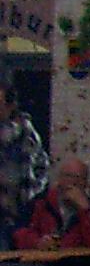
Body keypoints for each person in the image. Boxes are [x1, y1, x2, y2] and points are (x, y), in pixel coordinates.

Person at [0, 71, 49, 242]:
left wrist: (30, 195)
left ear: (11, 106)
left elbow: (41, 167)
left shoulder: (25, 133)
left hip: (18, 212)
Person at [14, 156, 90, 250]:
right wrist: (38, 242)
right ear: (59, 179)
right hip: (43, 257)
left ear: (86, 183)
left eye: (79, 177)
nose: (72, 181)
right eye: (68, 176)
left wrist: (85, 212)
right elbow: (19, 234)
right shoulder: (41, 202)